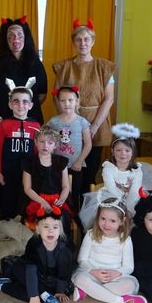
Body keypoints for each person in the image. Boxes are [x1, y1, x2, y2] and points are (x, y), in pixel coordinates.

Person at [53, 19, 116, 187]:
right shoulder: (64, 67)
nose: (83, 43)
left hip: (97, 123)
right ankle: (70, 202)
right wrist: (69, 121)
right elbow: (57, 96)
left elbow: (109, 99)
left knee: (90, 172)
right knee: (69, 171)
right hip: (70, 124)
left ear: (93, 41)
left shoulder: (104, 67)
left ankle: (86, 202)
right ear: (73, 42)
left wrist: (93, 126)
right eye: (79, 39)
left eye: (86, 39)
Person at [0, 206, 74, 303]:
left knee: (59, 291)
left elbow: (64, 273)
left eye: (55, 227)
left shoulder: (65, 248)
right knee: (21, 272)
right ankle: (45, 295)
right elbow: (30, 268)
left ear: (60, 230)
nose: (51, 231)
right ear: (38, 229)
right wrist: (34, 294)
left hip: (52, 280)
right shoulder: (34, 243)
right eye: (46, 227)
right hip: (34, 274)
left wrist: (60, 291)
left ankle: (2, 285)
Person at [71, 199, 147, 303]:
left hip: (114, 277)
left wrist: (117, 273)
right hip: (92, 273)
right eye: (103, 219)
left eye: (112, 221)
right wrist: (93, 272)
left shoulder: (125, 240)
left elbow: (129, 267)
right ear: (98, 217)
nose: (106, 224)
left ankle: (89, 291)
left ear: (122, 221)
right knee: (79, 279)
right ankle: (121, 301)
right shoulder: (90, 234)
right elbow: (82, 260)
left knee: (128, 285)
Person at [79, 124, 143, 231]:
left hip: (131, 202)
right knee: (108, 217)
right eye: (119, 150)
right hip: (111, 200)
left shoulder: (137, 170)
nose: (123, 154)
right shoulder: (108, 168)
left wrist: (129, 210)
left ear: (132, 152)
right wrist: (120, 209)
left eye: (127, 150)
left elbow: (135, 192)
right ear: (113, 151)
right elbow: (111, 188)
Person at [0, 16, 47, 124]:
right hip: (5, 121)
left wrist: (23, 109)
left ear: (26, 37)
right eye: (11, 36)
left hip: (32, 121)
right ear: (5, 39)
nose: (16, 39)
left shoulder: (36, 64)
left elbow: (42, 95)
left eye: (19, 35)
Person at [0, 85, 41, 220]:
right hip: (8, 171)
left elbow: (38, 150)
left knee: (25, 200)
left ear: (31, 105)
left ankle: (23, 225)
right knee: (8, 200)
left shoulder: (36, 125)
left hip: (28, 172)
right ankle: (7, 225)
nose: (21, 105)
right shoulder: (4, 124)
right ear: (10, 104)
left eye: (25, 102)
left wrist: (37, 170)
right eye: (16, 101)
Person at [47, 85, 92, 210]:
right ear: (58, 102)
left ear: (76, 101)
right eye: (63, 100)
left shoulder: (82, 122)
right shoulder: (53, 122)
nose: (67, 104)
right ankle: (58, 215)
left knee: (74, 193)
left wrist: (79, 161)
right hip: (57, 165)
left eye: (70, 100)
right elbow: (46, 139)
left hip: (75, 166)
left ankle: (74, 216)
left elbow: (88, 144)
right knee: (57, 192)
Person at [21, 126, 71, 235]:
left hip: (57, 200)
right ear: (36, 142)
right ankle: (41, 243)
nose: (45, 146)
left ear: (55, 145)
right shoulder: (29, 162)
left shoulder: (61, 161)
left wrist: (62, 199)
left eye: (50, 143)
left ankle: (62, 243)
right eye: (42, 141)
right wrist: (43, 202)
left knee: (63, 218)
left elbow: (66, 186)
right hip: (37, 200)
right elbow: (27, 189)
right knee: (43, 219)